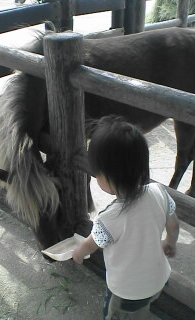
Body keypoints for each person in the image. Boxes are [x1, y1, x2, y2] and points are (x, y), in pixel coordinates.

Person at [72, 115, 179, 320]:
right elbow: (173, 225)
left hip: (128, 291)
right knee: (145, 306)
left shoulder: (109, 218)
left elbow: (89, 245)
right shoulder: (159, 192)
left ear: (106, 177)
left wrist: (77, 254)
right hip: (159, 278)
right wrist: (170, 242)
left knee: (119, 315)